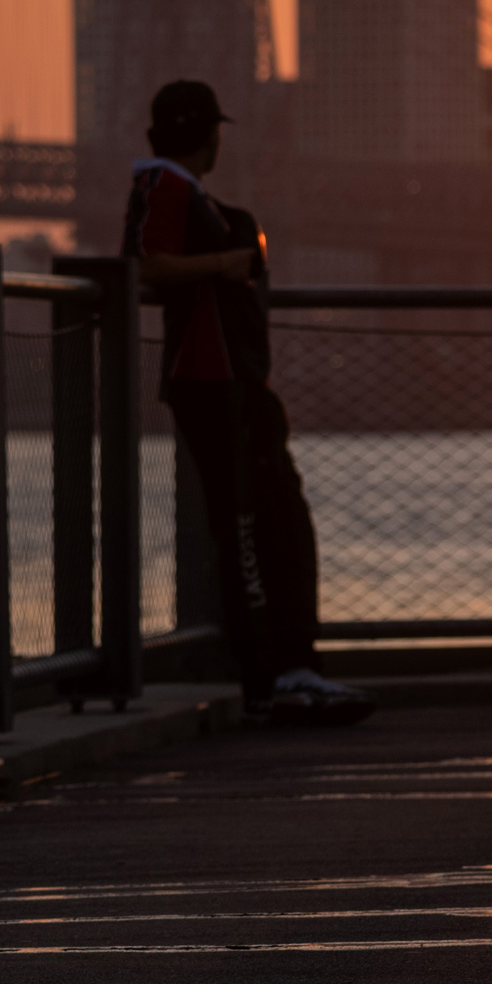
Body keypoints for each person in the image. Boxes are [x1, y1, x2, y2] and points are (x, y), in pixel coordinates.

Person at [124, 80, 373, 726]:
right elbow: (147, 264)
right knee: (252, 530)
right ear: (206, 132)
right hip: (211, 382)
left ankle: (290, 667)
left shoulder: (187, 191)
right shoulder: (165, 186)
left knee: (277, 521)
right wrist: (225, 262)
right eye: (217, 130)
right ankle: (276, 677)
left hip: (237, 384)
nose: (221, 141)